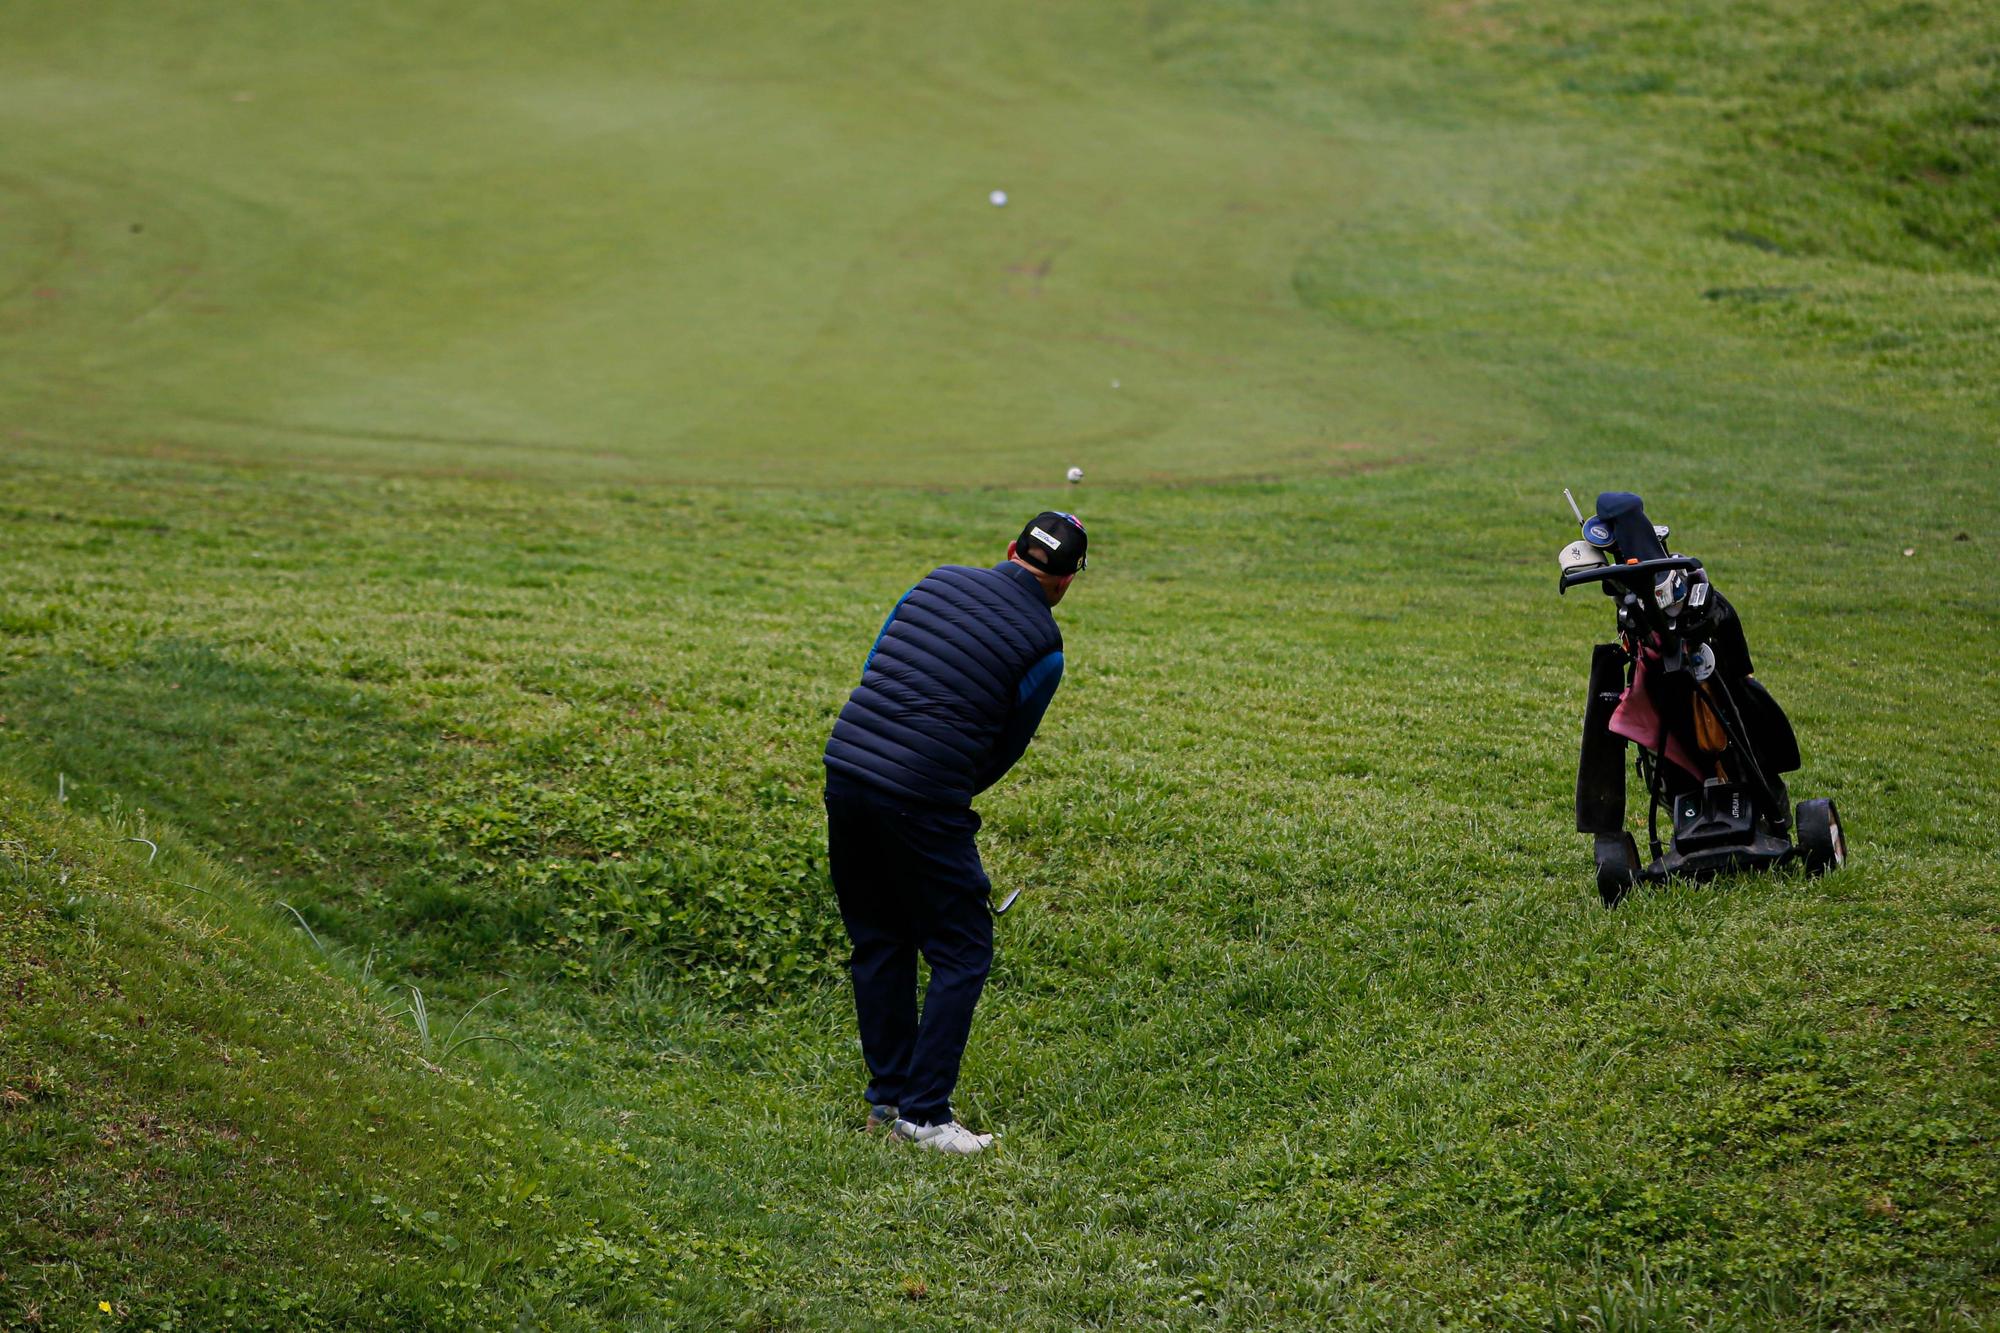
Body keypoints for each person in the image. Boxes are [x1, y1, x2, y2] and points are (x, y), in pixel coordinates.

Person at [822, 511, 1087, 1155]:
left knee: (880, 936)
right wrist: (945, 787)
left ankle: (888, 1102)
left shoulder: (934, 581)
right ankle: (925, 1114)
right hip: (924, 794)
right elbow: (1005, 746)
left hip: (847, 768)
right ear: (1068, 581)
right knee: (963, 950)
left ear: (1009, 550)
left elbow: (875, 662)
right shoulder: (1043, 645)